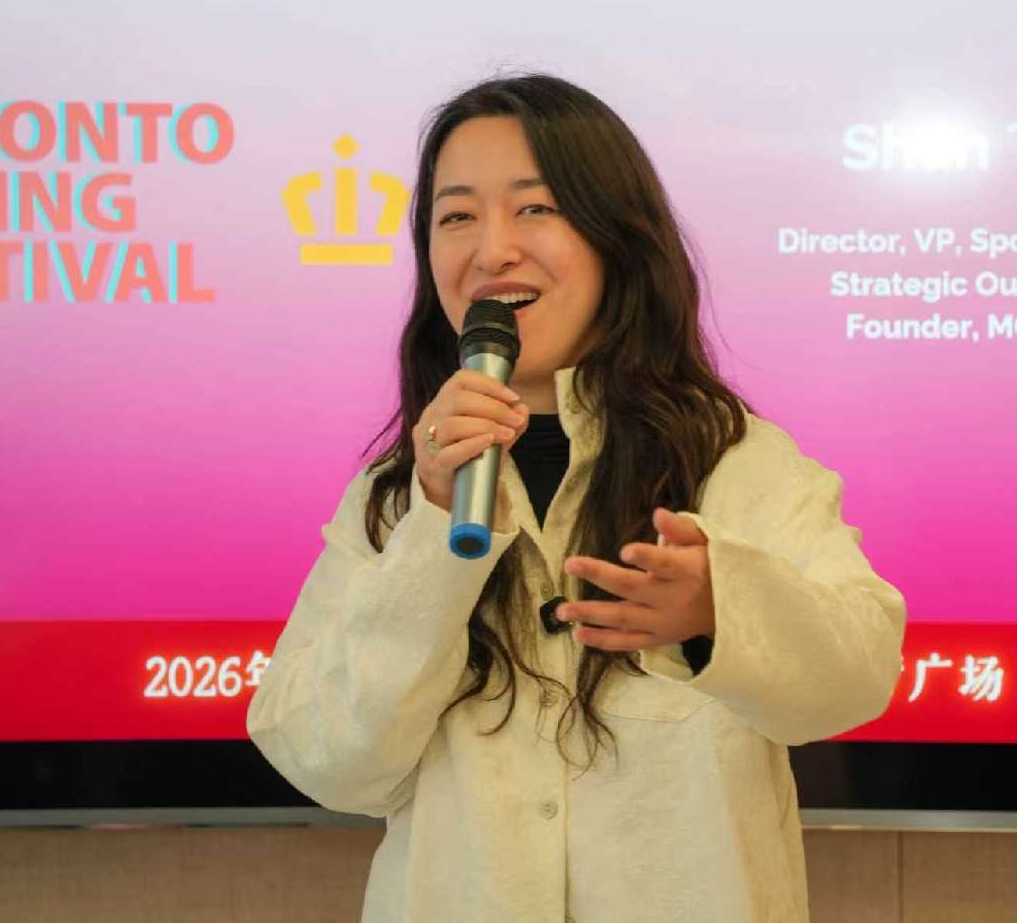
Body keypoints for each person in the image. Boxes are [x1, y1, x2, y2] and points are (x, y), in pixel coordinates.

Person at [246, 73, 907, 922]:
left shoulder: (731, 458)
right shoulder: (396, 495)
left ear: (613, 236)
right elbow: (326, 762)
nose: (492, 251)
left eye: (535, 208)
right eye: (456, 217)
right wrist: (433, 532)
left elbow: (856, 679)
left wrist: (720, 612)